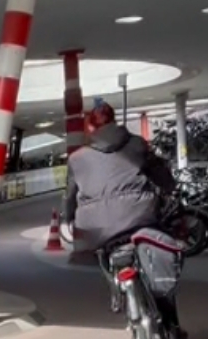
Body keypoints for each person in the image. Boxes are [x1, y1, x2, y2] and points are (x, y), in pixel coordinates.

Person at [60, 98, 177, 254]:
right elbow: (159, 172)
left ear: (90, 127)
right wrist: (170, 187)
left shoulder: (76, 158)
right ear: (114, 121)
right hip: (140, 215)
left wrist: (68, 218)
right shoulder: (137, 144)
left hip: (95, 226)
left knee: (91, 257)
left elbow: (70, 196)